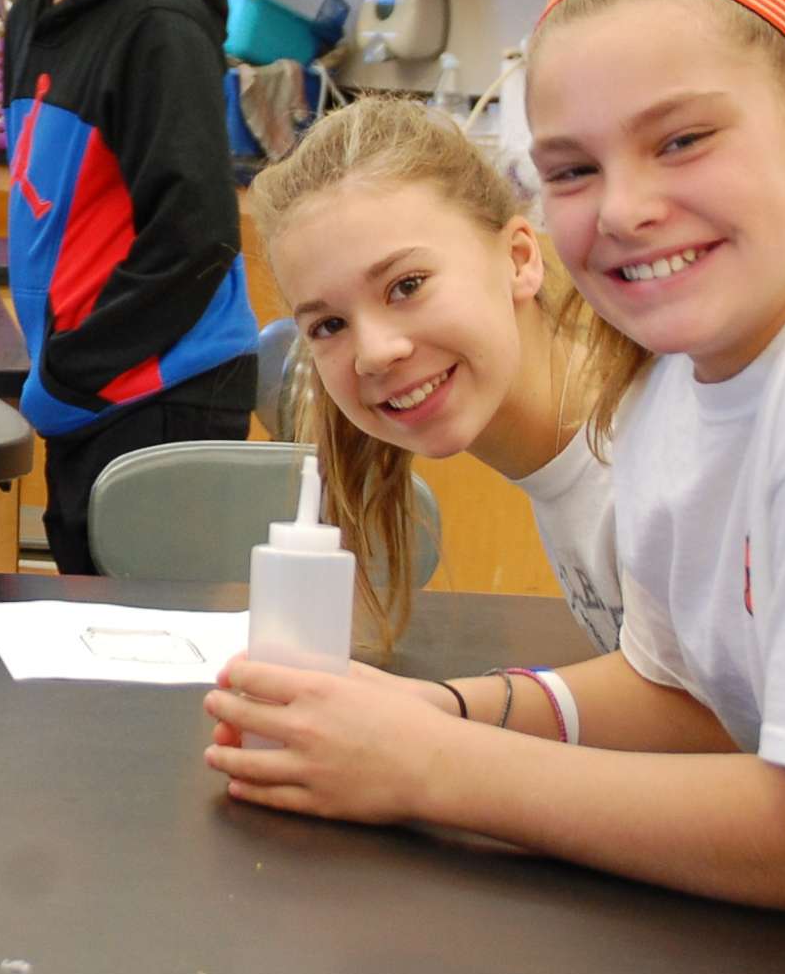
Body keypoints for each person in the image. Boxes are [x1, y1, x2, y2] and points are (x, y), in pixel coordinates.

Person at [203, 0, 785, 969]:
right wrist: (424, 711)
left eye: (682, 139)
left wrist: (427, 763)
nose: (629, 207)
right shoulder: (685, 375)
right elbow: (683, 697)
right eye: (575, 167)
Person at [0, 0, 259, 574]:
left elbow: (195, 235)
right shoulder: (33, 11)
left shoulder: (158, 26)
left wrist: (69, 375)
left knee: (143, 652)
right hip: (92, 389)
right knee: (87, 623)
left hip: (166, 391)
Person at [249, 96, 639, 653]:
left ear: (520, 259)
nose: (375, 353)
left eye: (407, 286)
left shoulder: (638, 460)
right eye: (330, 324)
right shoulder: (565, 468)